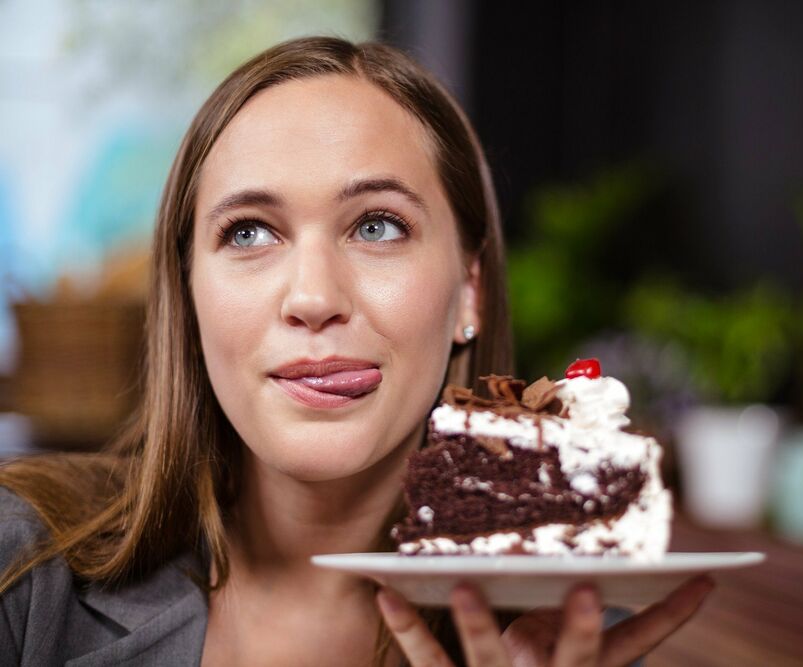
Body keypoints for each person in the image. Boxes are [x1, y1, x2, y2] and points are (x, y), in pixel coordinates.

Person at [0, 36, 714, 665]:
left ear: (470, 292)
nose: (313, 297)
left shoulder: (563, 633)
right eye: (249, 232)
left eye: (377, 226)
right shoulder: (21, 566)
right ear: (187, 296)